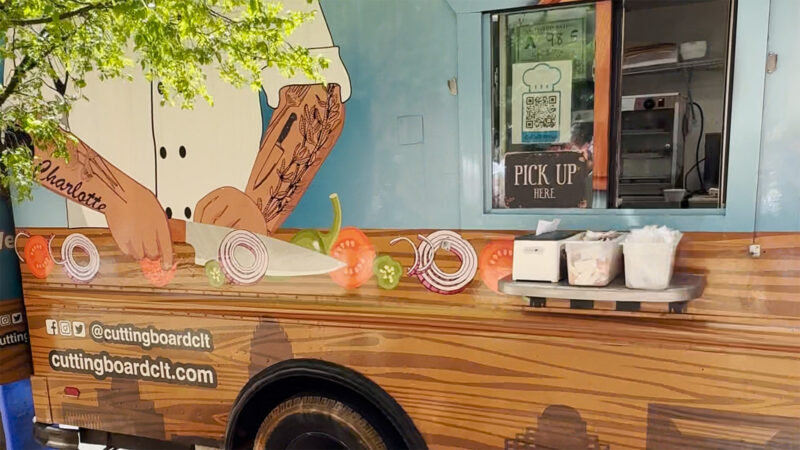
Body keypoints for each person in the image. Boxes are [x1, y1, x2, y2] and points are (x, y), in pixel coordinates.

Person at [32, 0, 350, 269]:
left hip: (231, 264)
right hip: (100, 268)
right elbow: (19, 123)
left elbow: (316, 89)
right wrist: (113, 194)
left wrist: (258, 208)